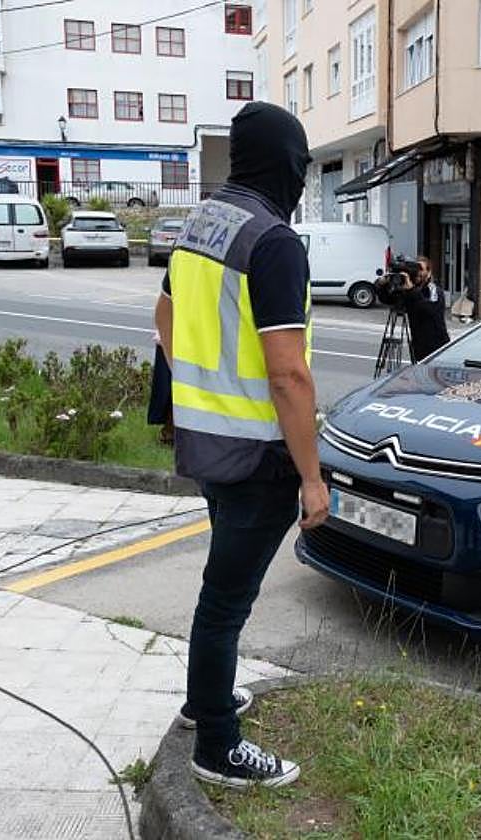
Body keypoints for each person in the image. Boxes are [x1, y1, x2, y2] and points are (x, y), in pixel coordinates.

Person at [153, 102, 328, 789]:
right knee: (225, 603)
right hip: (259, 457)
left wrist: (203, 391)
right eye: (302, 163)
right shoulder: (274, 241)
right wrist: (312, 477)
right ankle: (217, 745)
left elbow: (164, 316)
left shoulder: (201, 223)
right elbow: (288, 372)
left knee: (221, 593)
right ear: (286, 164)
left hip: (209, 448)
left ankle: (206, 702)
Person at [377, 255, 451, 362]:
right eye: (415, 268)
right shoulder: (410, 289)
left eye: (421, 269)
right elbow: (390, 301)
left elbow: (429, 310)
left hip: (437, 347)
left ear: (429, 273)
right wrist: (383, 285)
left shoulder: (434, 290)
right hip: (418, 348)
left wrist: (411, 290)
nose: (417, 272)